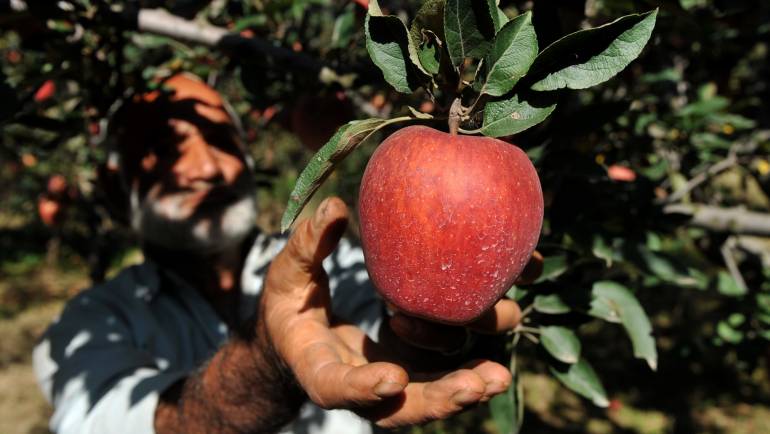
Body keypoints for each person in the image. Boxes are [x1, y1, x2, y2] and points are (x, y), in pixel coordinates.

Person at [33, 73, 528, 434]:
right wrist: (269, 358)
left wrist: (424, 339)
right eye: (164, 149)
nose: (206, 167)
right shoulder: (92, 323)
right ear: (117, 191)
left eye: (221, 139)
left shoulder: (336, 266)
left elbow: (388, 329)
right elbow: (125, 422)